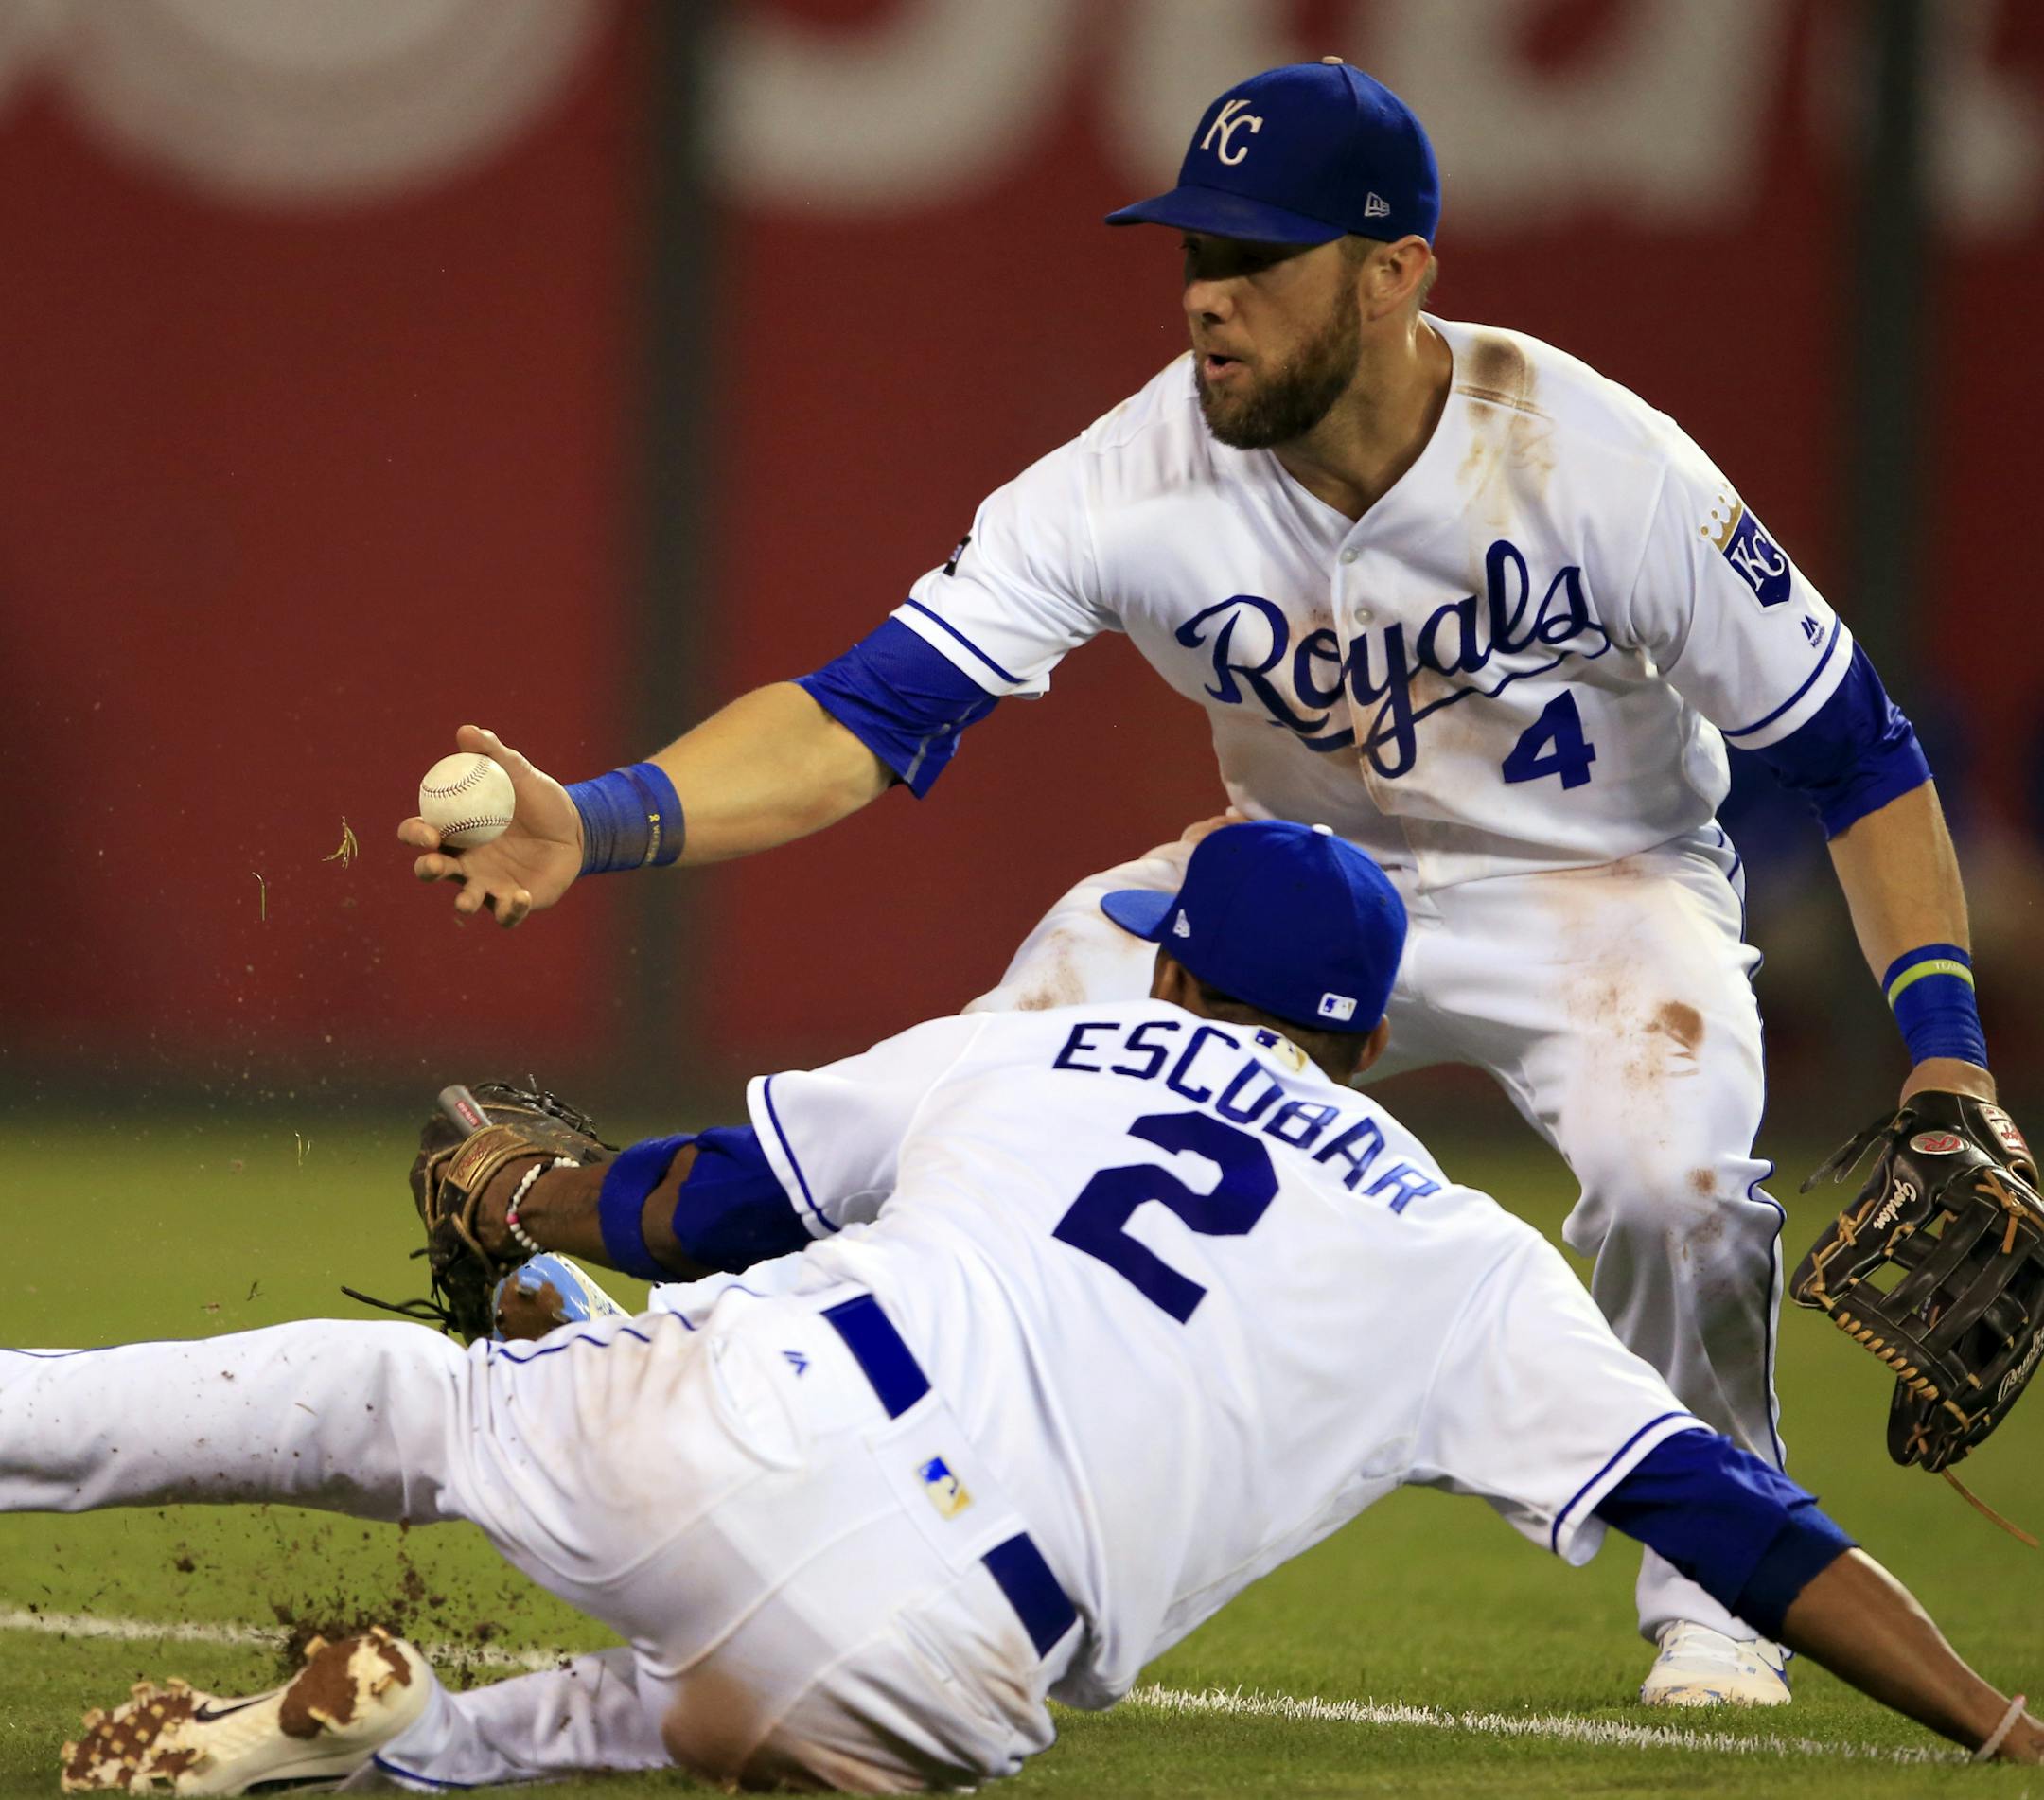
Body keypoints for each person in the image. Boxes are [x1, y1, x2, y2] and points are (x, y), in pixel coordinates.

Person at [396, 61, 2018, 1705]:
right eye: (1192, 256)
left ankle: (1716, 1601)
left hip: (1599, 895)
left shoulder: (1604, 466)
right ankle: (758, 1419)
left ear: (1397, 273)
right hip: (1283, 898)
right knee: (1008, 1075)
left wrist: (1945, 1048)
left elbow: (1860, 755)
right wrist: (595, 819)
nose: (1210, 300)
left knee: (1676, 1190)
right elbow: (862, 715)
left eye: (1260, 258)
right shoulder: (1131, 477)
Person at [22, 826, 2041, 1794]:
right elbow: (1726, 1517)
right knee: (718, 1709)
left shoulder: (1054, 1049)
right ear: (1354, 1037)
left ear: (1180, 975)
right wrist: (1993, 1714)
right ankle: (410, 1742)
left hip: (768, 1408)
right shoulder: (1461, 1253)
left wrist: (533, 1198)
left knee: (416, 1406)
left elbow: (704, 1206)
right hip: (963, 1664)